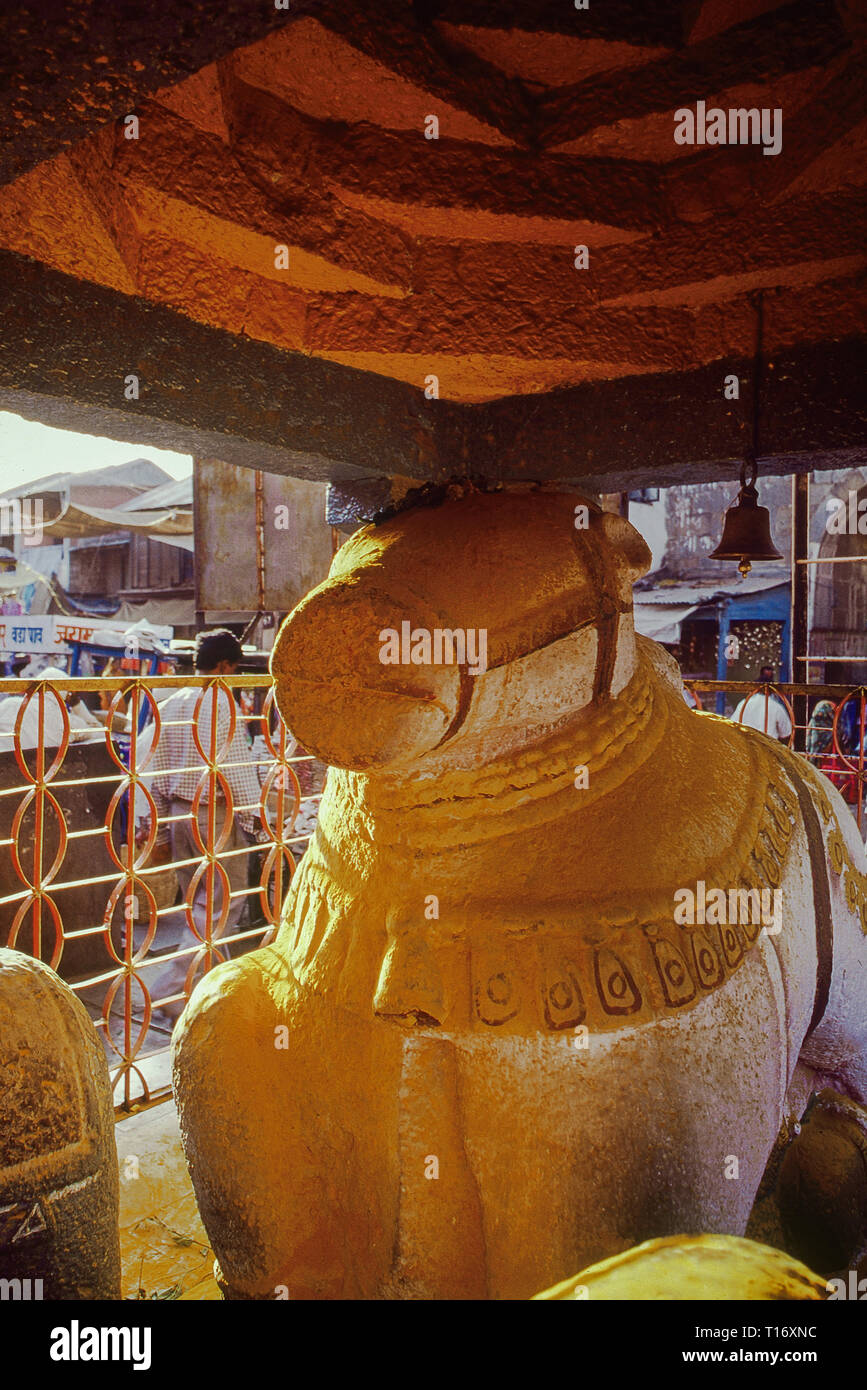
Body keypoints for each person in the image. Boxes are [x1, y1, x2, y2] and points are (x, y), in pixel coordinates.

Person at [147, 629, 269, 938]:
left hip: (178, 814)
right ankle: (175, 981)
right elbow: (235, 769)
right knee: (221, 903)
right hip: (210, 815)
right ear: (225, 666)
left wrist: (160, 826)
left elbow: (154, 770)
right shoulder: (220, 701)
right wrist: (257, 819)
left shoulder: (172, 703)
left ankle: (209, 977)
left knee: (197, 903)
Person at [729, 665, 792, 742]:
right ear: (772, 689)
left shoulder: (744, 704)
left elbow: (732, 726)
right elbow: (786, 733)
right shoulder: (776, 707)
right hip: (768, 748)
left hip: (747, 747)